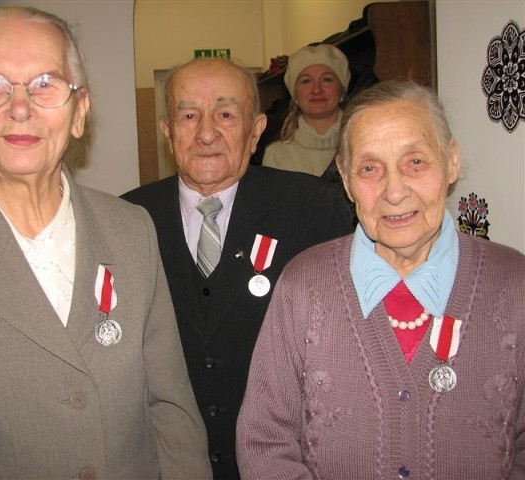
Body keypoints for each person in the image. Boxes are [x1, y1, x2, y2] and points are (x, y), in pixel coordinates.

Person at [0, 7, 212, 479]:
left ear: (79, 113)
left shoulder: (130, 229)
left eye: (45, 83)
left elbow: (171, 410)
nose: (20, 107)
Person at [236, 81, 525, 479]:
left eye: (416, 162)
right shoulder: (303, 285)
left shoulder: (515, 284)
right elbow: (264, 443)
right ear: (346, 178)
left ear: (452, 160)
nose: (393, 191)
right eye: (370, 168)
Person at [122, 57, 354, 480]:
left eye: (226, 114)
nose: (206, 132)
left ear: (256, 129)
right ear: (167, 129)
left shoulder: (316, 209)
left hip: (285, 463)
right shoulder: (125, 218)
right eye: (189, 115)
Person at [262, 44, 350, 178]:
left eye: (327, 79)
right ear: (295, 96)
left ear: (341, 91)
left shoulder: (365, 147)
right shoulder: (277, 155)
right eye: (306, 81)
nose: (317, 89)